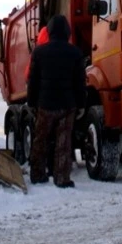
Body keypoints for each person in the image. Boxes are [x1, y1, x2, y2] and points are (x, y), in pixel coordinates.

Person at [28, 14, 86, 188]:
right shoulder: (75, 53)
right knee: (63, 142)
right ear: (67, 31)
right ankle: (62, 178)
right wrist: (81, 105)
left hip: (45, 105)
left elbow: (33, 82)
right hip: (67, 105)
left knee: (40, 141)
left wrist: (32, 103)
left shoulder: (39, 52)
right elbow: (80, 83)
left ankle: (38, 175)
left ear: (50, 31)